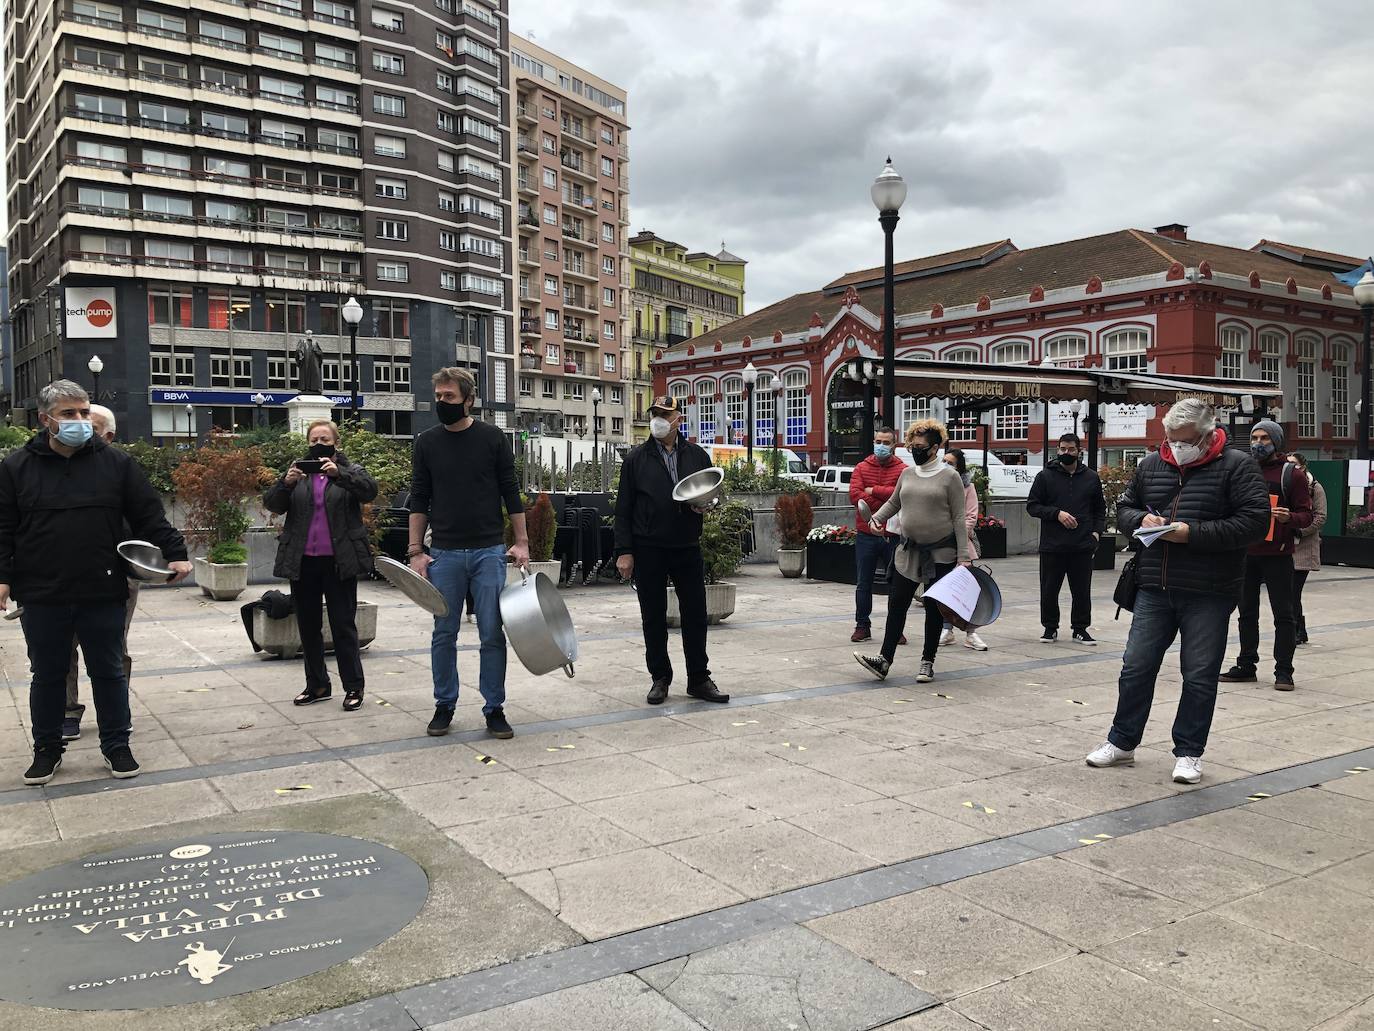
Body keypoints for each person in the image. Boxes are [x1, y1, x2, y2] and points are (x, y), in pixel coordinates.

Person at [0, 381, 191, 785]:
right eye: (69, 414)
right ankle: (47, 749)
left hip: (102, 587)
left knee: (108, 671)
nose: (79, 421)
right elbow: (3, 528)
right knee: (48, 674)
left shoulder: (116, 464)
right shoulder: (16, 468)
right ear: (45, 419)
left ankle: (116, 745)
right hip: (42, 591)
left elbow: (148, 514)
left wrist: (176, 552)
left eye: (84, 412)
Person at [1086, 400, 1269, 784]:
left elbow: (1254, 523)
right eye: (1170, 440)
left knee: (1199, 675)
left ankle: (1189, 752)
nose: (1176, 447)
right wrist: (1140, 519)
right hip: (1154, 585)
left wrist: (1193, 533)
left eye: (1184, 441)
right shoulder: (1152, 464)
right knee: (1135, 666)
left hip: (1209, 590)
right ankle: (1122, 741)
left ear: (1205, 436)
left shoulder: (1237, 466)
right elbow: (1124, 507)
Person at [408, 368, 526, 739]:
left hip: (488, 551)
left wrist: (521, 542)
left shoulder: (492, 439)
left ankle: (494, 708)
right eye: (439, 397)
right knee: (444, 631)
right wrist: (416, 550)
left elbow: (511, 492)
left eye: (450, 398)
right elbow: (419, 498)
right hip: (443, 552)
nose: (442, 403)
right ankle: (444, 704)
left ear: (468, 400)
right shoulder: (426, 442)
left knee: (492, 632)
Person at [614, 395, 729, 706]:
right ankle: (660, 678)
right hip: (648, 546)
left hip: (686, 545)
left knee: (695, 613)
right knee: (652, 616)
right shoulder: (636, 459)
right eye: (656, 414)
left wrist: (707, 506)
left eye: (666, 414)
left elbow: (713, 494)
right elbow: (623, 508)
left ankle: (699, 678)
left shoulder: (697, 456)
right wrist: (624, 551)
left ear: (679, 419)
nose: (659, 419)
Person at [263, 420, 378, 712]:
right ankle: (317, 684)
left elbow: (369, 491)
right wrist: (285, 483)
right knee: (308, 625)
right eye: (314, 438)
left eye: (324, 438)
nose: (318, 443)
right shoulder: (298, 473)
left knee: (343, 625)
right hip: (303, 561)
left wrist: (340, 474)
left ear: (335, 443)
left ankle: (353, 687)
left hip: (339, 561)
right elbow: (274, 505)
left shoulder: (350, 470)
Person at [853, 418, 970, 684]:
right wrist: (876, 519)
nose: (916, 450)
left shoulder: (949, 476)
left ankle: (927, 662)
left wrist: (963, 557)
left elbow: (959, 518)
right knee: (897, 605)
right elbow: (894, 502)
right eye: (912, 445)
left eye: (921, 446)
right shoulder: (907, 474)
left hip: (940, 553)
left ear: (936, 447)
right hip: (909, 550)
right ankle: (884, 660)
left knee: (933, 609)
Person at [62, 404, 140, 742]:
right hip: (63, 576)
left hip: (115, 574)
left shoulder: (121, 469)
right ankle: (66, 712)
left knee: (112, 646)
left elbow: (144, 517)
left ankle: (116, 711)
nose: (80, 431)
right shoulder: (57, 466)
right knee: (63, 647)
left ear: (108, 436)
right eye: (73, 421)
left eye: (89, 427)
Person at [1219, 420, 1312, 691]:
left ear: (1276, 442)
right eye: (1254, 438)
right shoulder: (1242, 469)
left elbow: (1307, 516)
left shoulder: (1290, 474)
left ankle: (1284, 671)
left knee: (1284, 614)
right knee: (1246, 613)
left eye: (1264, 438)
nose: (1258, 443)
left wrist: (1289, 517)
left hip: (1278, 554)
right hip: (1245, 553)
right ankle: (1246, 665)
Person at [1025, 432, 1105, 645]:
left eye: (1070, 449)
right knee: (1049, 590)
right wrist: (1056, 514)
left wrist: (1096, 533)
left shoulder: (1091, 478)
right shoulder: (1045, 476)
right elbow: (1032, 506)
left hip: (1082, 546)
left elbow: (1100, 510)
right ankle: (1050, 628)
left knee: (1082, 591)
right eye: (1062, 449)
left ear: (1080, 451)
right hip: (1052, 545)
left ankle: (1080, 629)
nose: (1066, 453)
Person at [848, 425, 906, 645]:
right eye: (878, 441)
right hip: (866, 534)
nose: (881, 446)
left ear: (894, 445)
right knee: (864, 583)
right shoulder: (862, 467)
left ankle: (896, 628)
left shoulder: (903, 469)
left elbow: (901, 496)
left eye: (886, 442)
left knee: (897, 585)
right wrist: (885, 499)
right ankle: (862, 625)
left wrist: (873, 490)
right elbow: (855, 496)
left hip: (893, 534)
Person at [939, 448, 988, 652]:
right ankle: (946, 629)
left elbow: (971, 516)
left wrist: (956, 535)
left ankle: (971, 632)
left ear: (959, 466)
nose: (946, 465)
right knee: (944, 591)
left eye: (950, 462)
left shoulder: (967, 487)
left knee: (967, 590)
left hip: (960, 545)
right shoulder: (936, 482)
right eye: (944, 461)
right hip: (939, 545)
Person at [1287, 453, 1325, 646]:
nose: (1290, 467)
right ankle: (1300, 631)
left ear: (1303, 467)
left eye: (1294, 464)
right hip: (1285, 546)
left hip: (1304, 548)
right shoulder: (1288, 486)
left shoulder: (1314, 487)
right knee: (1288, 592)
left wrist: (1300, 531)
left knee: (1293, 592)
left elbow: (1320, 517)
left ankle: (1296, 631)